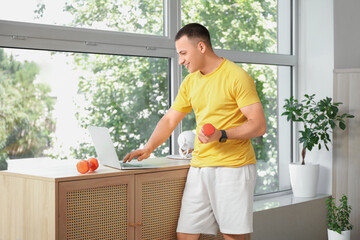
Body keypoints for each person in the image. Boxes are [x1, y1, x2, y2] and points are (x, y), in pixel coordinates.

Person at [123, 23, 266, 240]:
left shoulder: (236, 76)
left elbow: (258, 124)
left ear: (201, 47)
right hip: (200, 166)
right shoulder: (191, 82)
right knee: (186, 234)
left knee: (232, 235)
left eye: (183, 53)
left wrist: (222, 134)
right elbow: (171, 118)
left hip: (233, 167)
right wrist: (149, 147)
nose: (180, 60)